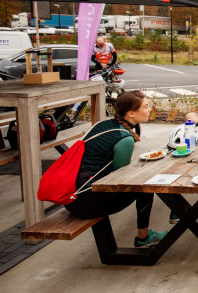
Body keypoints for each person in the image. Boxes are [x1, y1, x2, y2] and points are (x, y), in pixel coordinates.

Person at [64, 90, 168, 248]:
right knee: (144, 187)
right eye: (146, 107)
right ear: (131, 113)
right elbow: (121, 179)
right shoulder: (125, 138)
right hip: (86, 203)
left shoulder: (102, 125)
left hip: (71, 195)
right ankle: (143, 237)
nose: (149, 110)